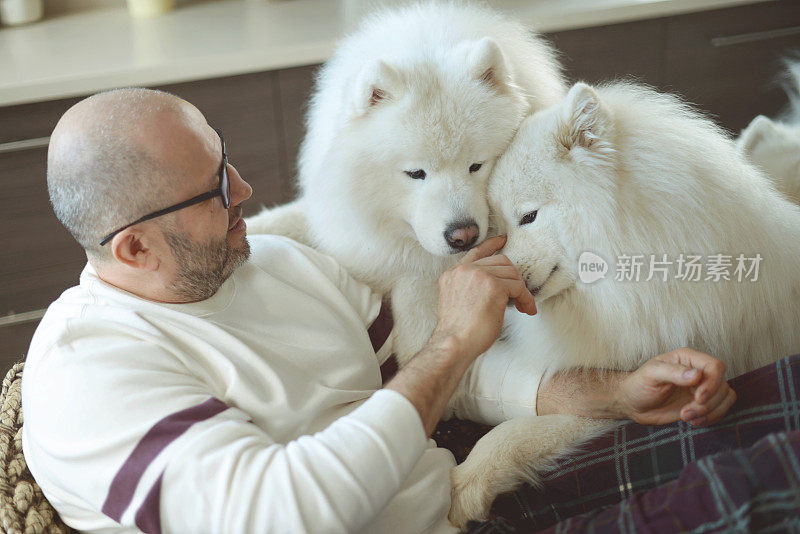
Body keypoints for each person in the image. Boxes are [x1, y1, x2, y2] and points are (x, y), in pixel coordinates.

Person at [21, 88, 735, 534]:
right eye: (212, 190)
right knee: (756, 489)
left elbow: (435, 380)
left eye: (225, 160)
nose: (244, 188)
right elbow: (283, 514)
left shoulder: (275, 261)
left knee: (752, 415)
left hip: (467, 502)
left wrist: (612, 393)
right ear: (135, 248)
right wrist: (454, 340)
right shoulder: (89, 376)